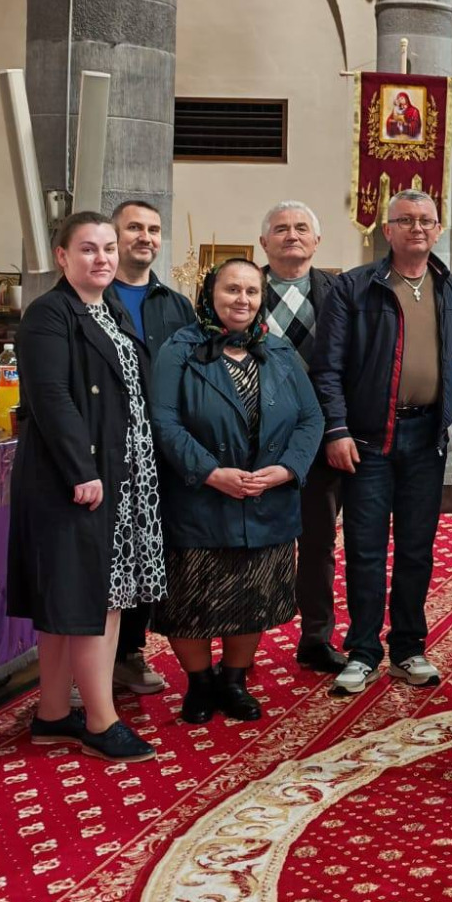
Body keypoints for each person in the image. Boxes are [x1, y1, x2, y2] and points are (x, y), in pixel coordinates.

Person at [9, 211, 163, 762]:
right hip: (77, 477)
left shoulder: (109, 308)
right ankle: (101, 720)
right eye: (88, 249)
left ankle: (53, 713)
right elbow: (51, 397)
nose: (102, 258)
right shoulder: (49, 314)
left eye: (108, 248)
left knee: (71, 598)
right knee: (97, 599)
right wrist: (81, 470)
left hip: (122, 473)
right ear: (62, 257)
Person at [148, 258, 324, 724]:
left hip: (267, 499)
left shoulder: (279, 351)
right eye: (232, 289)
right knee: (191, 600)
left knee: (252, 596)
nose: (242, 299)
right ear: (211, 293)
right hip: (199, 499)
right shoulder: (179, 349)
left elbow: (312, 418)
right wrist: (210, 472)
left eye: (251, 291)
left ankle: (233, 681)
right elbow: (163, 421)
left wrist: (287, 469)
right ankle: (199, 683)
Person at [310, 190, 452, 697]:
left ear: (438, 229)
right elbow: (327, 367)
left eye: (426, 220)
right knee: (366, 549)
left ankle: (408, 648)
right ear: (388, 229)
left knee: (418, 549)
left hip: (427, 437)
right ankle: (362, 651)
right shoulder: (354, 287)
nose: (417, 228)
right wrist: (336, 429)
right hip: (368, 438)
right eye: (406, 220)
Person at [254, 199, 347, 674]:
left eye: (301, 228)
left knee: (317, 542)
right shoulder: (244, 289)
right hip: (256, 438)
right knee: (251, 543)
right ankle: (242, 644)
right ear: (263, 242)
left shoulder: (340, 292)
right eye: (281, 228)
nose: (292, 235)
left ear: (317, 240)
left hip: (321, 437)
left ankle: (315, 637)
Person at [107, 197, 195, 699]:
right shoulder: (94, 297)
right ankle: (90, 658)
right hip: (110, 445)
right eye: (135, 228)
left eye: (154, 229)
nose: (146, 237)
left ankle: (129, 653)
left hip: (162, 447)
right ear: (114, 235)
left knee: (149, 550)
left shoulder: (176, 305)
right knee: (109, 553)